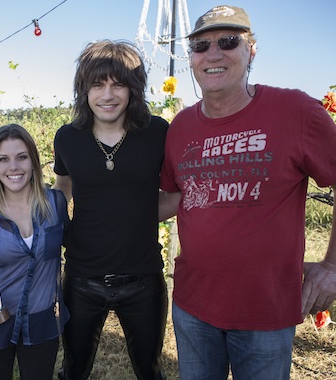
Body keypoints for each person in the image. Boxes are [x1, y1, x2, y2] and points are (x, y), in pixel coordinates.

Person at [159, 5, 336, 379]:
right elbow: (177, 197)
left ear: (251, 50)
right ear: (191, 58)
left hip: (266, 316)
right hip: (193, 309)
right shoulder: (180, 127)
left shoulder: (296, 112)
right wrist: (101, 211)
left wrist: (332, 266)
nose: (213, 54)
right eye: (201, 46)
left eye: (228, 41)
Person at [53, 40, 169, 380]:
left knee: (150, 370)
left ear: (133, 89)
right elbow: (63, 188)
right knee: (73, 369)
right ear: (83, 90)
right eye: (97, 84)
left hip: (143, 278)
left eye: (118, 83)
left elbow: (176, 194)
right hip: (81, 278)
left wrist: (133, 216)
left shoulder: (157, 132)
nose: (108, 94)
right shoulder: (68, 138)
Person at [0, 123, 70, 380]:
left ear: (33, 161)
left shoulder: (55, 203)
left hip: (40, 321)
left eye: (21, 157)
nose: (13, 167)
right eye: (3, 159)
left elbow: (75, 247)